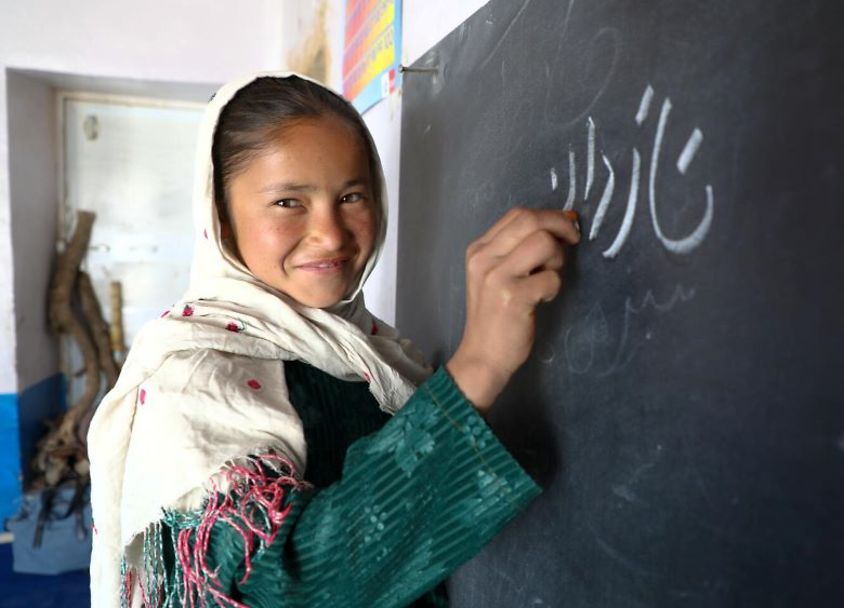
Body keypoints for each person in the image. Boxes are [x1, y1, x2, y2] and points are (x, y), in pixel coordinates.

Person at [87, 72, 580, 608]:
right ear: (222, 222)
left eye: (351, 196)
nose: (332, 233)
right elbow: (288, 586)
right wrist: (480, 364)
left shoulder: (373, 353)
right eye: (287, 203)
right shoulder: (195, 378)